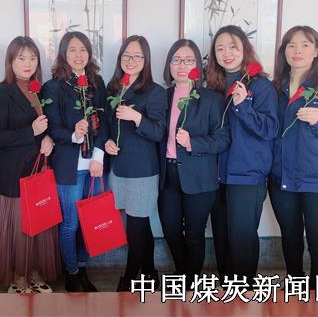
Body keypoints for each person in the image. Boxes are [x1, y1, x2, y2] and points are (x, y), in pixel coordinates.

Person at [269, 25, 318, 287]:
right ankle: (295, 292)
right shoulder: (275, 87)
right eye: (291, 45)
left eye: (305, 44)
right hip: (282, 179)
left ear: (316, 50)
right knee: (290, 241)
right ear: (284, 51)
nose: (297, 50)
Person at [0, 36, 62, 293]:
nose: (27, 63)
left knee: (40, 223)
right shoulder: (0, 93)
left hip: (40, 169)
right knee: (20, 228)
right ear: (10, 61)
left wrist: (48, 138)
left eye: (32, 58)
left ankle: (35, 272)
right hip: (15, 173)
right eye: (21, 58)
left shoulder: (40, 90)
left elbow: (47, 127)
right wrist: (31, 131)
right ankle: (18, 277)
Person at [207, 25, 279, 285]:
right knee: (222, 237)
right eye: (220, 48)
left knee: (242, 238)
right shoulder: (212, 86)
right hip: (216, 174)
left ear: (245, 49)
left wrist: (243, 106)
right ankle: (228, 289)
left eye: (233, 47)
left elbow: (270, 129)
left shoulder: (260, 86)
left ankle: (244, 291)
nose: (226, 53)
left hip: (247, 174)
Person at [158, 39, 230, 283]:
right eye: (176, 60)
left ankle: (190, 283)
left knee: (194, 235)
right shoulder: (162, 96)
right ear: (169, 64)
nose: (182, 66)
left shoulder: (211, 99)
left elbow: (223, 139)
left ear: (198, 65)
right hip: (168, 176)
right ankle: (184, 275)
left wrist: (192, 142)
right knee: (170, 230)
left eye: (188, 60)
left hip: (199, 177)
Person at [42, 31, 107, 292]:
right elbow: (53, 128)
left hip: (93, 165)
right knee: (71, 223)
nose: (78, 55)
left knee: (88, 222)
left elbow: (105, 122)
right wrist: (74, 134)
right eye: (72, 50)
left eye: (83, 49)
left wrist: (98, 156)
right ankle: (71, 272)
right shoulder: (53, 87)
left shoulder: (97, 83)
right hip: (68, 166)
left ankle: (82, 267)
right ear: (63, 54)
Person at [103, 35, 167, 291]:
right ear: (120, 58)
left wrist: (136, 117)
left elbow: (158, 132)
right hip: (119, 168)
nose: (131, 61)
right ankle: (150, 272)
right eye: (127, 55)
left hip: (142, 171)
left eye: (137, 56)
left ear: (146, 60)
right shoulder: (113, 89)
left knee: (135, 227)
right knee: (139, 225)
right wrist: (107, 143)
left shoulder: (155, 92)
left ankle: (130, 278)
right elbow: (107, 126)